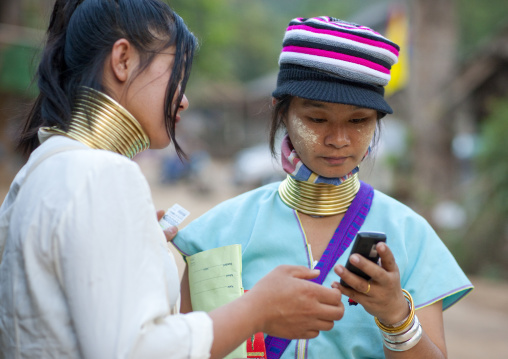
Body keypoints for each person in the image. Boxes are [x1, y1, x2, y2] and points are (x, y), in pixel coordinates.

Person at [0, 3, 345, 359]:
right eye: (175, 75)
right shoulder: (103, 175)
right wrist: (257, 309)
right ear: (123, 60)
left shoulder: (40, 169)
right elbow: (137, 351)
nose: (183, 100)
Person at [173, 16, 474, 359]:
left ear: (377, 122)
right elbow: (184, 348)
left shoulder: (411, 236)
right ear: (282, 112)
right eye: (317, 119)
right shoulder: (216, 234)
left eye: (358, 121)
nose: (338, 140)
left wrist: (396, 316)